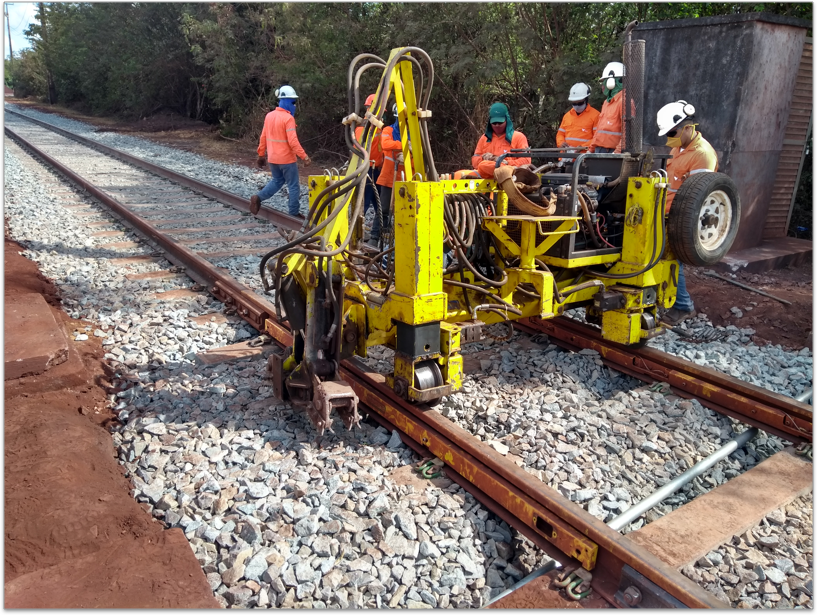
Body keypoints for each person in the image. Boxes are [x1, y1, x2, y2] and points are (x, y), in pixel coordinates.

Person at [656, 99, 719, 326]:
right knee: (656, 255)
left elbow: (696, 196)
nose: (669, 137)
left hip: (678, 217)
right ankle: (662, 298)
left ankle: (683, 306)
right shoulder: (679, 147)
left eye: (672, 132)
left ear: (688, 127)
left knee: (672, 260)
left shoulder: (703, 155)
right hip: (662, 211)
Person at [250, 85, 311, 218]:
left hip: (273, 159)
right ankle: (294, 213)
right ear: (287, 101)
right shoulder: (288, 118)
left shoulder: (269, 116)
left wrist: (261, 155)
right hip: (287, 160)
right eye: (293, 102)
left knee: (277, 180)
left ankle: (258, 198)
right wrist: (304, 157)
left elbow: (263, 137)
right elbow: (293, 141)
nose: (294, 105)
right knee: (293, 185)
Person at [372, 105, 405, 244]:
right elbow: (385, 144)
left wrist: (409, 156)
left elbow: (420, 154)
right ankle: (374, 238)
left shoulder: (415, 134)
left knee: (403, 212)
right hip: (388, 178)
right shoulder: (388, 130)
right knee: (384, 209)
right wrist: (404, 144)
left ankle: (399, 242)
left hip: (406, 181)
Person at [471, 102, 531, 179]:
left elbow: (526, 161)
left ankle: (502, 169)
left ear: (507, 120)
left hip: (510, 176)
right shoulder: (484, 138)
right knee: (481, 167)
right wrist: (483, 158)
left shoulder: (518, 137)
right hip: (487, 175)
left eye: (500, 122)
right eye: (494, 123)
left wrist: (506, 162)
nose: (497, 125)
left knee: (493, 167)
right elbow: (475, 161)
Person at [355, 94, 384, 232]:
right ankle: (355, 229)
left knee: (379, 202)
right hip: (366, 169)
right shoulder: (362, 128)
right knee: (364, 201)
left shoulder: (378, 127)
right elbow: (358, 152)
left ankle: (379, 230)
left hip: (377, 169)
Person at [590, 62, 625, 154]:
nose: (602, 86)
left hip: (612, 152)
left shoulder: (624, 102)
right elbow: (599, 130)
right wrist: (591, 150)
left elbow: (627, 133)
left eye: (604, 81)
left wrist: (616, 153)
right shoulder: (607, 102)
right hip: (600, 151)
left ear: (612, 81)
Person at [556, 83, 600, 151]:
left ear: (586, 100)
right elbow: (560, 134)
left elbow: (598, 138)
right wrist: (561, 143)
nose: (577, 106)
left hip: (584, 158)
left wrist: (582, 147)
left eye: (580, 103)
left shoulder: (595, 115)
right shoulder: (567, 116)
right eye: (574, 103)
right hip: (566, 158)